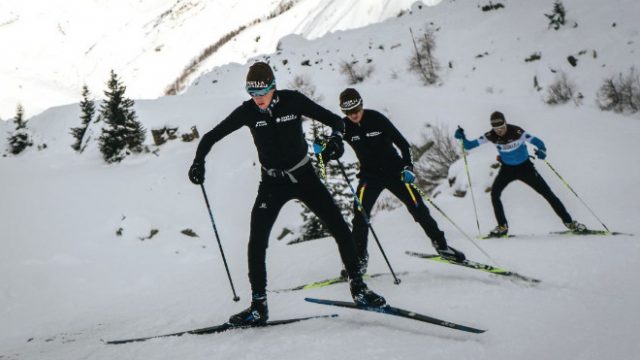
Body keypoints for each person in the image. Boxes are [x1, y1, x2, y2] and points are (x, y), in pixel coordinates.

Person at [188, 62, 386, 326]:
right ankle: (258, 307)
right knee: (257, 241)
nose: (257, 99)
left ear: (273, 87)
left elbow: (336, 121)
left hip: (304, 177)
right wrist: (198, 161)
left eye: (261, 93)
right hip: (271, 183)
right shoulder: (248, 112)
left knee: (339, 227)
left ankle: (359, 288)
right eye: (251, 93)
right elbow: (211, 136)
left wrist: (336, 139)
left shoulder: (292, 101)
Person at [322, 88, 465, 276]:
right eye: (348, 112)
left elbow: (403, 144)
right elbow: (337, 148)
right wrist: (328, 151)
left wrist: (407, 167)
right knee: (360, 217)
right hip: (369, 177)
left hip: (395, 172)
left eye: (356, 109)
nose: (354, 114)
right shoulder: (345, 126)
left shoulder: (376, 119)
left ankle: (441, 245)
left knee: (418, 207)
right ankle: (359, 260)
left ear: (362, 104)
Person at [454, 111, 586, 237]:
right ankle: (502, 227)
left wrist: (542, 150)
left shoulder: (517, 132)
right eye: (496, 128)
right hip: (507, 170)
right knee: (495, 194)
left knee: (547, 193)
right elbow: (469, 146)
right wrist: (462, 137)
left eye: (502, 127)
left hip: (525, 168)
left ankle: (570, 223)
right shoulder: (490, 135)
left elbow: (538, 142)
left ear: (505, 123)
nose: (499, 130)